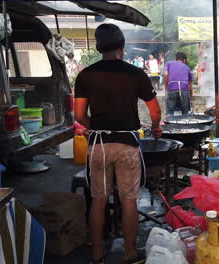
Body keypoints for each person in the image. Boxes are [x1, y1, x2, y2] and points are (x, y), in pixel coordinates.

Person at [74, 24, 162, 264]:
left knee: (98, 200)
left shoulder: (85, 75)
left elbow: (79, 115)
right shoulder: (135, 74)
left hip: (99, 145)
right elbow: (155, 110)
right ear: (122, 48)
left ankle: (96, 255)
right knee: (129, 199)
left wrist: (96, 125)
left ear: (99, 47)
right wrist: (155, 127)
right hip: (126, 145)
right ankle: (130, 253)